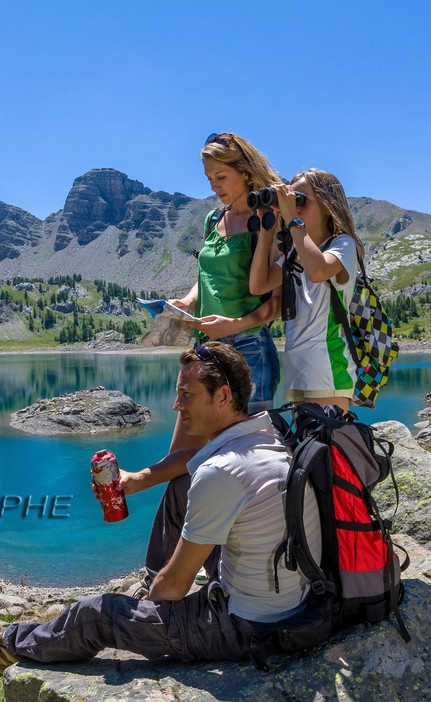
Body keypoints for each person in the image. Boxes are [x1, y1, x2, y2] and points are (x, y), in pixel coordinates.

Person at [0, 342, 320, 669]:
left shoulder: (223, 472)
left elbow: (176, 585)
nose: (176, 406)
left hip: (246, 627)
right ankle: (146, 585)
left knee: (97, 614)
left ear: (222, 396)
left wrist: (147, 613)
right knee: (182, 486)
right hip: (289, 598)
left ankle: (7, 646)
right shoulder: (268, 432)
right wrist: (138, 479)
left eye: (186, 395)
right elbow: (193, 459)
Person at [119, 132, 286, 588]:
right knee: (179, 461)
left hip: (247, 353)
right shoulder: (216, 218)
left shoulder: (266, 221)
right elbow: (204, 278)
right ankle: (164, 577)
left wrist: (232, 325)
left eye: (222, 176)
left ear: (246, 174)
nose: (214, 185)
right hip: (206, 351)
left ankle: (228, 575)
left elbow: (274, 304)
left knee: (234, 466)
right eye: (209, 178)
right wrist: (186, 303)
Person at [247, 168, 362, 410]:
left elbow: (318, 270)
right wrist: (266, 231)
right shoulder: (295, 253)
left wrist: (291, 218)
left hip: (329, 369)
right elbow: (258, 285)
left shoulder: (342, 244)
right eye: (291, 200)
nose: (295, 207)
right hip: (297, 369)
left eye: (301, 201)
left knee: (327, 446)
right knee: (305, 447)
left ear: (327, 205)